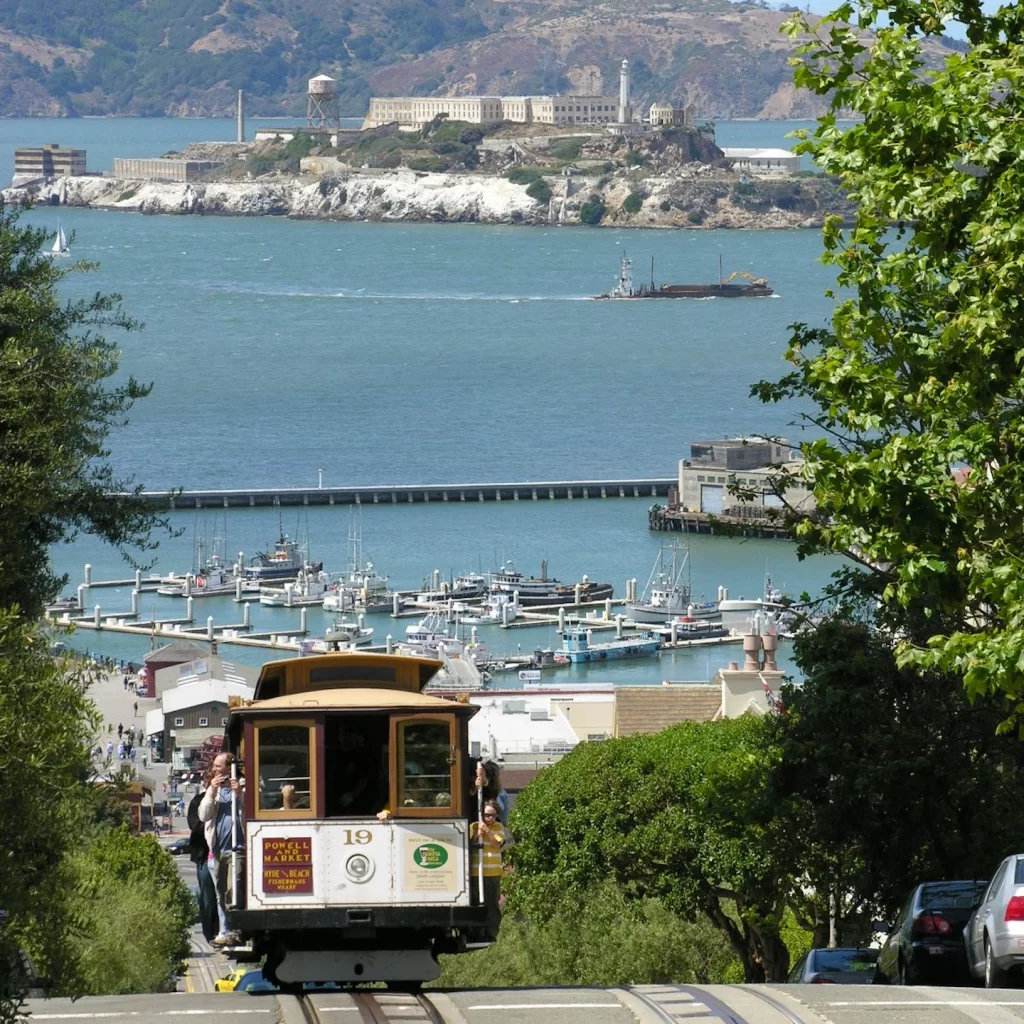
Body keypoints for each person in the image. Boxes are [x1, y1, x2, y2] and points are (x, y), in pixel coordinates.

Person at [199, 751, 245, 946]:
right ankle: (225, 930)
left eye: (218, 766)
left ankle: (237, 929)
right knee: (221, 892)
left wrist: (240, 795)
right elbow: (204, 815)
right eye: (214, 767)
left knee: (234, 890)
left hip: (239, 848)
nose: (215, 770)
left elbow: (253, 812)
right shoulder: (213, 790)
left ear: (229, 767)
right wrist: (212, 792)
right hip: (218, 850)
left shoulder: (244, 785)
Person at [469, 799, 506, 940]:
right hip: (476, 872)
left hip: (492, 873)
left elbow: (497, 844)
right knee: (475, 902)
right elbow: (470, 842)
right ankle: (475, 932)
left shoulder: (498, 827)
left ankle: (491, 933)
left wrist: (487, 831)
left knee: (492, 904)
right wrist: (478, 833)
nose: (489, 818)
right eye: (486, 815)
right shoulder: (474, 826)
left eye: (492, 815)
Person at [187, 784, 218, 943]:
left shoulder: (229, 799)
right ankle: (211, 932)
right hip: (205, 855)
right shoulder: (197, 802)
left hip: (225, 852)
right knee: (207, 894)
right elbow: (195, 829)